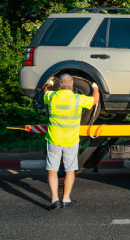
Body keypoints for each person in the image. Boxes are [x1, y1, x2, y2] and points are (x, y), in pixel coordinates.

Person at [42, 74, 99, 210]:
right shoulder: (78, 99)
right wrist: (95, 86)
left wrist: (50, 81)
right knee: (70, 170)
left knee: (52, 170)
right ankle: (66, 199)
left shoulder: (51, 97)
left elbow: (46, 90)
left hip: (54, 139)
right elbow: (95, 100)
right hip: (70, 140)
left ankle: (55, 199)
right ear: (72, 86)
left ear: (59, 85)